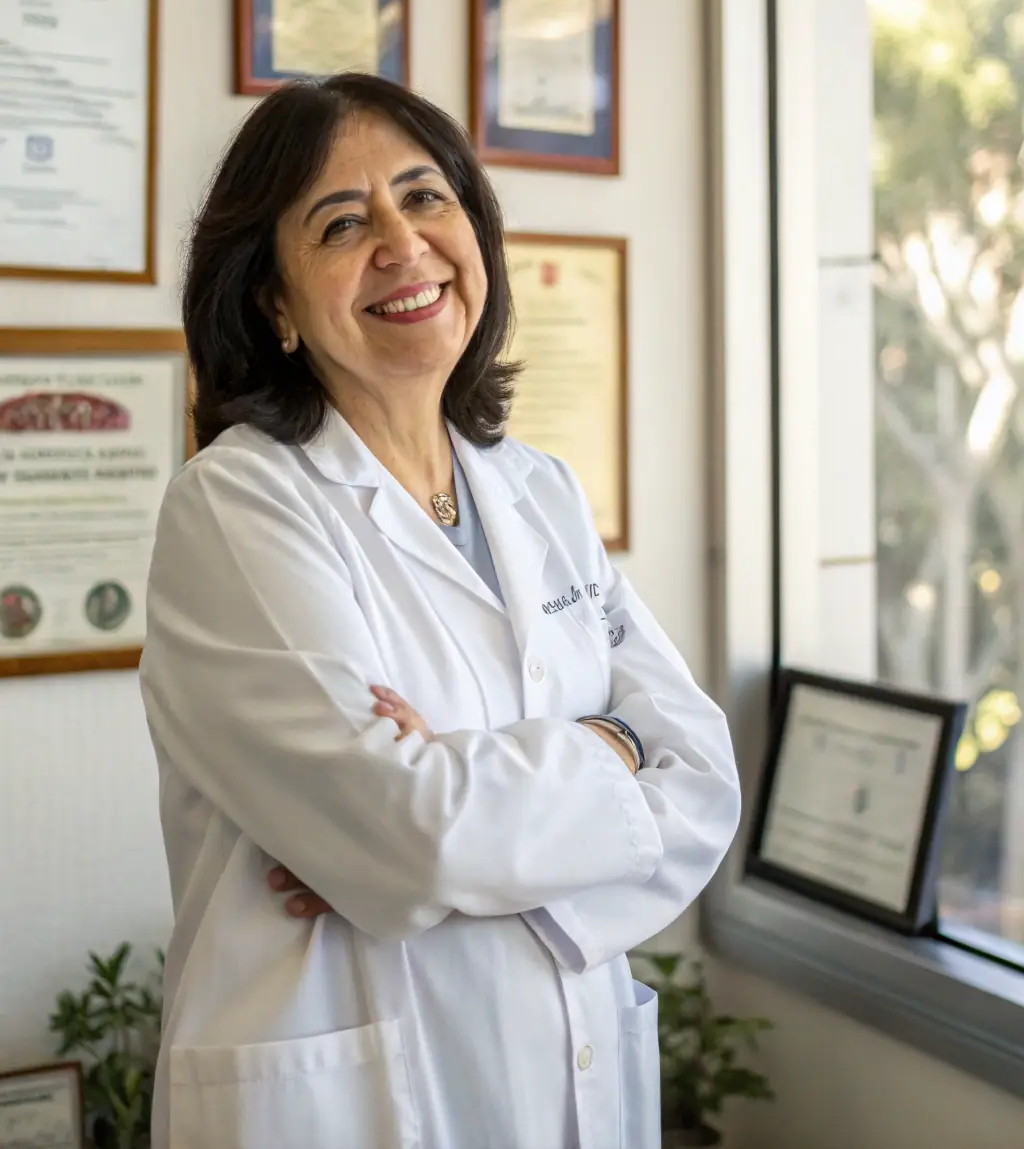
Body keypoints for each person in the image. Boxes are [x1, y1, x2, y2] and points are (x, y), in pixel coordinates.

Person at [140, 73, 741, 1149]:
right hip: (353, 1097)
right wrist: (607, 749)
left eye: (425, 198)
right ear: (274, 300)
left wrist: (454, 824)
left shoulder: (537, 490)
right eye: (340, 223)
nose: (402, 244)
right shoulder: (238, 505)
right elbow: (409, 834)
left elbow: (700, 779)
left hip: (573, 1074)